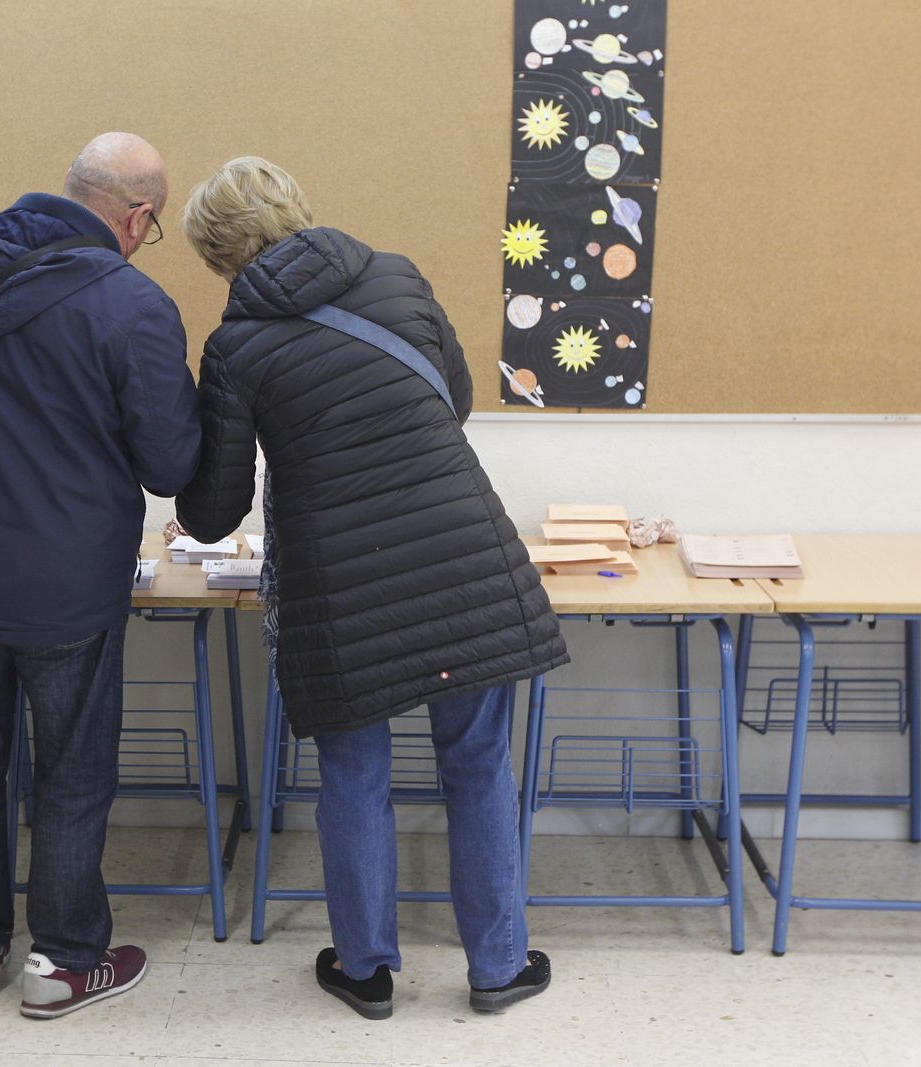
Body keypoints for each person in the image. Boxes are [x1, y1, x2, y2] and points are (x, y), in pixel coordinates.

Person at [174, 157, 567, 1019]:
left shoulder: (235, 345)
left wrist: (176, 465)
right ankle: (498, 965)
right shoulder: (395, 274)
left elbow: (215, 510)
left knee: (354, 774)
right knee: (478, 765)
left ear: (218, 254)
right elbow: (455, 398)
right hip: (464, 558)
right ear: (296, 204)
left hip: (340, 588)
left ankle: (365, 969)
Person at [0, 132, 200, 1019]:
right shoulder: (133, 303)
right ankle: (62, 961)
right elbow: (170, 461)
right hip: (66, 585)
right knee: (72, 769)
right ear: (136, 218)